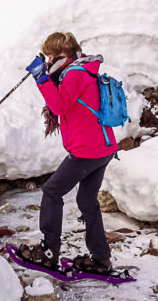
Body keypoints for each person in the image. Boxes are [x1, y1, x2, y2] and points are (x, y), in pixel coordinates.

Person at [19, 32, 117, 275]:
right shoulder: (83, 69)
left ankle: (48, 253)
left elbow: (59, 105)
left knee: (52, 191)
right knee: (86, 201)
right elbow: (68, 99)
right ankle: (101, 259)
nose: (48, 61)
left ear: (62, 55)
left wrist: (41, 78)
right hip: (102, 147)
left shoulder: (74, 74)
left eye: (50, 57)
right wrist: (49, 77)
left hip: (87, 150)